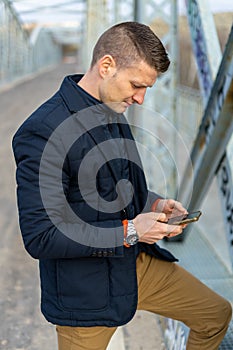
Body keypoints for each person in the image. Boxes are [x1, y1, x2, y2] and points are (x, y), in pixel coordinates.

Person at [12, 21, 231, 350]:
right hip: (84, 294)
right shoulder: (43, 131)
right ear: (106, 66)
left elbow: (117, 191)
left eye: (147, 89)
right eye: (136, 85)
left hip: (132, 264)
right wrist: (130, 230)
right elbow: (40, 236)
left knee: (215, 315)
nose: (140, 99)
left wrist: (154, 205)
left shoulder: (113, 109)